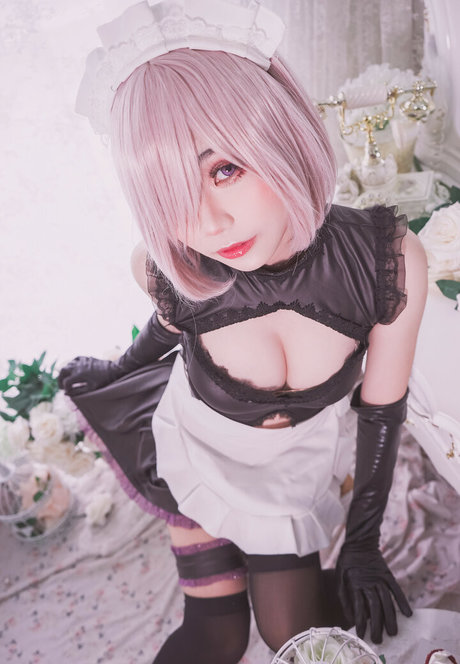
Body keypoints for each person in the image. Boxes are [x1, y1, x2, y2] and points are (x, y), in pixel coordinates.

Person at [58, 1, 428, 660]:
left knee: (293, 635)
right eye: (169, 193)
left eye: (223, 169)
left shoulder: (386, 261)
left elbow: (382, 410)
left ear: (280, 133)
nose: (207, 223)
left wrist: (364, 542)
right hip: (195, 455)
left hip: (289, 475)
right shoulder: (168, 267)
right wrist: (112, 377)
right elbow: (162, 334)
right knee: (217, 636)